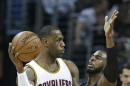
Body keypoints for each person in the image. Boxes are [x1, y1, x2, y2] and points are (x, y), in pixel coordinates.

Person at [8, 25, 80, 86]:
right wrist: (20, 70)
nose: (63, 44)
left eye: (63, 40)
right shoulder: (30, 72)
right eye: (58, 40)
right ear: (45, 42)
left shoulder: (70, 67)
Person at [81, 10, 119, 86]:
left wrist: (108, 36)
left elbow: (112, 64)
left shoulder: (104, 83)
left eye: (98, 58)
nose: (92, 59)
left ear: (106, 65)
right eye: (92, 56)